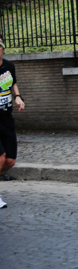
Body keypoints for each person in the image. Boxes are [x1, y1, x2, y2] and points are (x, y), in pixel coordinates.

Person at [0, 34, 26, 210]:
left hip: (6, 119)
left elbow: (13, 84)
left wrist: (17, 97)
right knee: (0, 158)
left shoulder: (9, 66)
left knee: (10, 161)